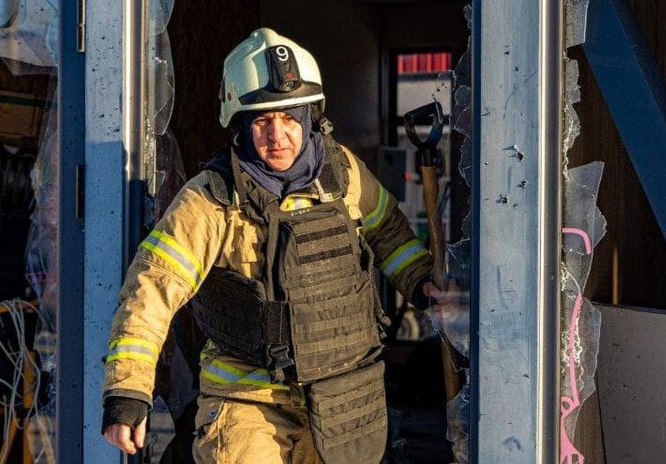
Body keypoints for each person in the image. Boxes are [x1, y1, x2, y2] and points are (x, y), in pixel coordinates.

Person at [102, 28, 450, 463]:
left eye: (289, 117)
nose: (278, 134)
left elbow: (389, 235)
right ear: (241, 126)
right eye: (263, 121)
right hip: (248, 404)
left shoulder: (343, 173)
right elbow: (150, 292)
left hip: (344, 397)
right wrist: (128, 391)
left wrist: (421, 281)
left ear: (310, 118)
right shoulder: (210, 199)